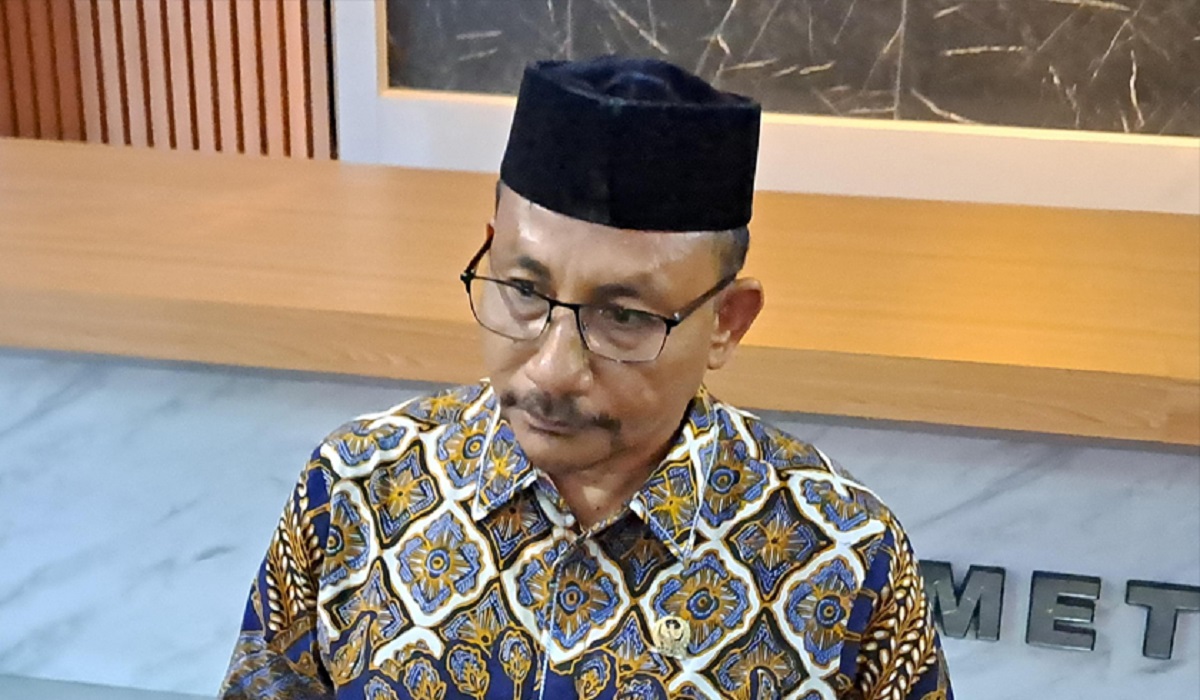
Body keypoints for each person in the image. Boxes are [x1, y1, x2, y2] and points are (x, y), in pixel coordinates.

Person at [220, 55, 953, 700]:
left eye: (623, 317)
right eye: (524, 292)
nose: (552, 370)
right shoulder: (358, 490)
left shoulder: (842, 558)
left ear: (726, 321)